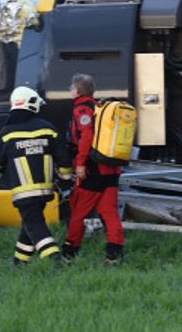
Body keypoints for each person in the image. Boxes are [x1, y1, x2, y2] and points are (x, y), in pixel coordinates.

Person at [0, 86, 72, 265]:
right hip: (45, 190)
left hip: (23, 191)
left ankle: (54, 259)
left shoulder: (7, 132)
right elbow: (64, 160)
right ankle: (19, 262)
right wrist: (66, 180)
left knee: (35, 225)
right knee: (31, 223)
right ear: (32, 104)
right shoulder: (48, 129)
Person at [61, 73, 125, 265]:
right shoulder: (99, 107)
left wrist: (80, 162)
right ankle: (114, 255)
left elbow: (86, 136)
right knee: (110, 213)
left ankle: (69, 253)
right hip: (111, 169)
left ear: (77, 90)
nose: (70, 90)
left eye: (71, 87)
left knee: (78, 211)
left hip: (93, 170)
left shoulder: (82, 109)